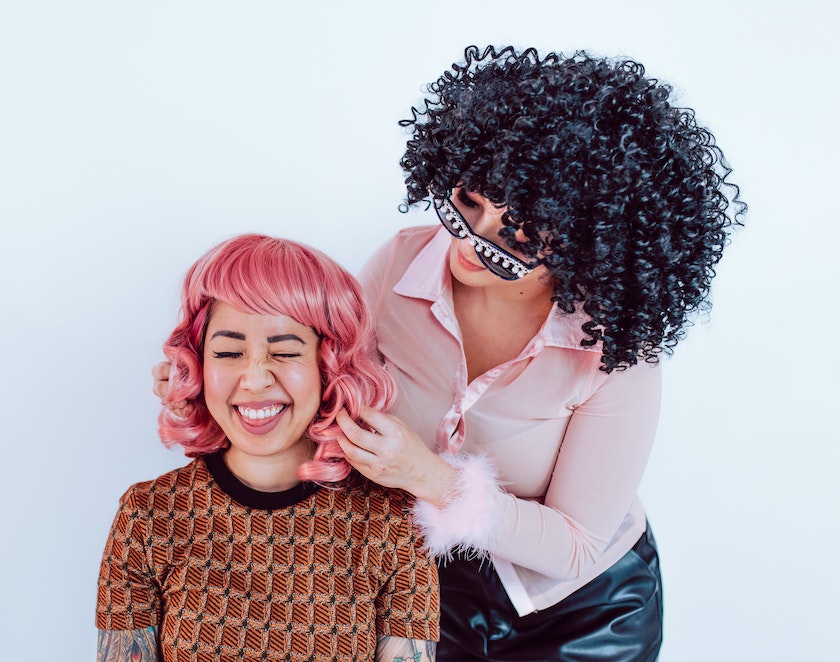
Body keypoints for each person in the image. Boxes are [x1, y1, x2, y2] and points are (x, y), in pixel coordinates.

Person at [155, 46, 745, 661]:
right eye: (466, 202)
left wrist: (427, 477)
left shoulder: (617, 351)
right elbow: (322, 383)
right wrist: (208, 376)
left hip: (584, 610)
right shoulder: (398, 267)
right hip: (429, 585)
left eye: (513, 236)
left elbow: (574, 545)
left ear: (585, 245)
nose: (468, 239)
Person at [98, 234, 440, 662]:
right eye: (227, 352)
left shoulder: (394, 525)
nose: (255, 378)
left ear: (329, 366)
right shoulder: (148, 515)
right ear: (198, 366)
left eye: (284, 351)